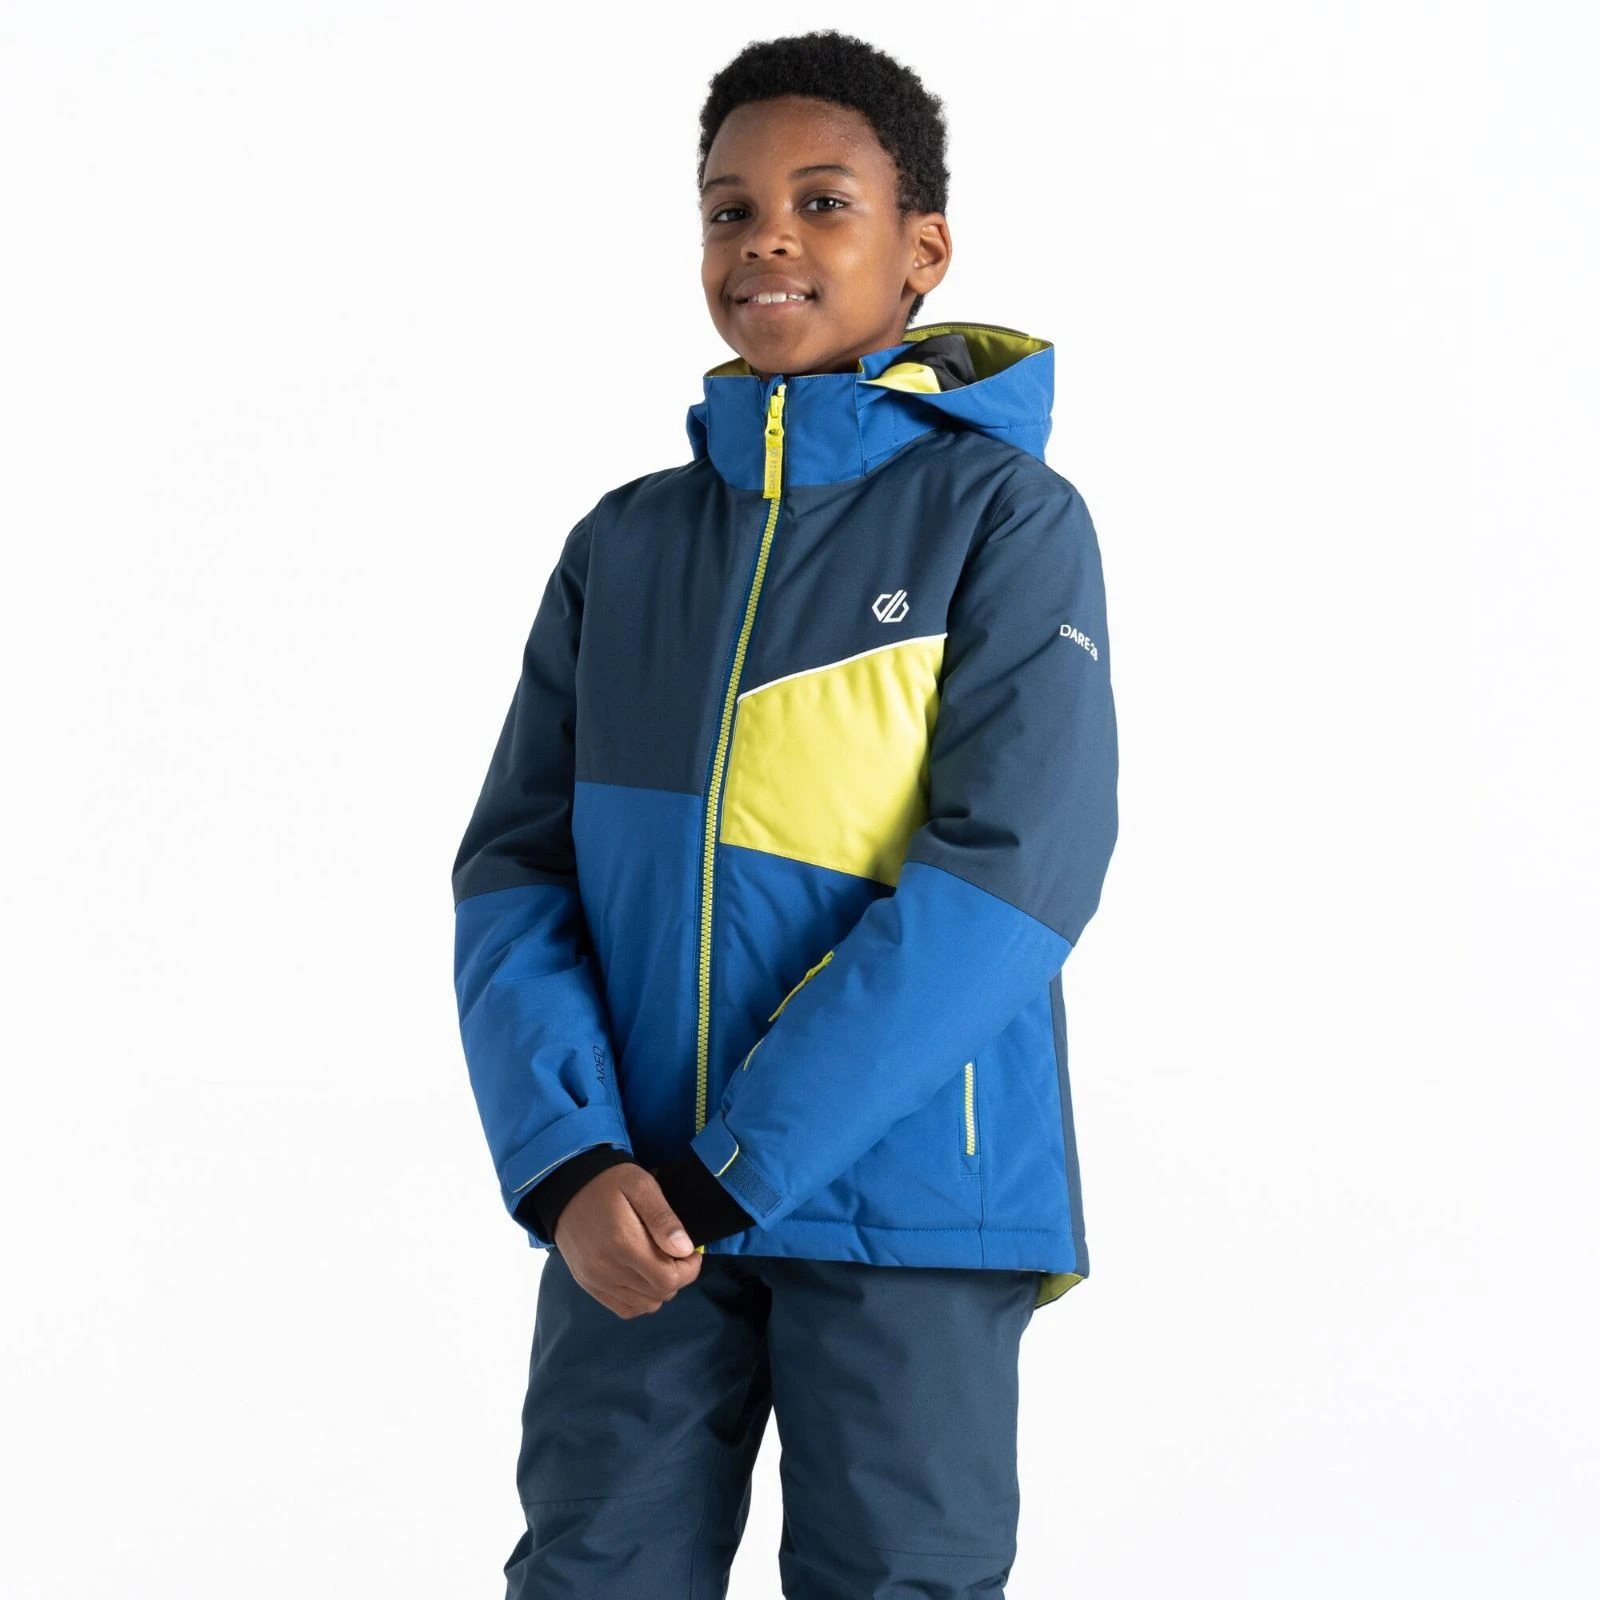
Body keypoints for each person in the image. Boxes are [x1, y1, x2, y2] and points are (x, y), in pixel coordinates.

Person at [450, 28, 1120, 1598]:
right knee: (592, 1573)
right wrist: (572, 1161)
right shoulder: (623, 546)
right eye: (729, 209)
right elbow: (513, 876)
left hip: (911, 1201)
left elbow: (1011, 882)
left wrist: (733, 1167)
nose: (766, 239)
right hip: (637, 1211)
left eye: (823, 202)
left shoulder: (1007, 521)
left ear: (922, 251)